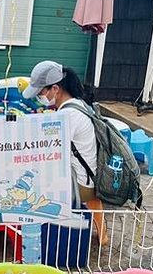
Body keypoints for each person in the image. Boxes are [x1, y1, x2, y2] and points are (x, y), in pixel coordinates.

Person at [22, 61, 108, 244]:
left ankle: (66, 236)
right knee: (93, 203)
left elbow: (49, 147)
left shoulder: (68, 115)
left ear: (55, 89)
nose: (40, 97)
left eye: (41, 93)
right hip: (88, 171)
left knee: (39, 186)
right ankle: (102, 235)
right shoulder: (77, 104)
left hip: (81, 178)